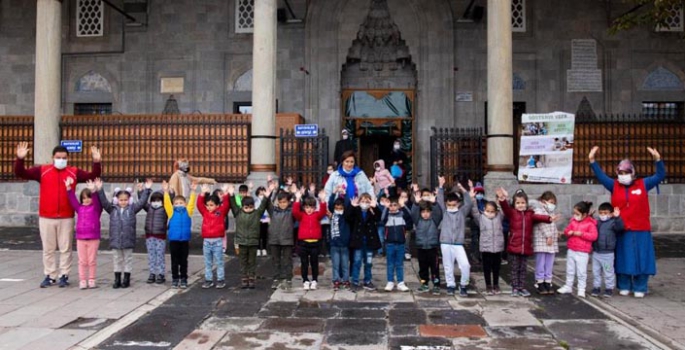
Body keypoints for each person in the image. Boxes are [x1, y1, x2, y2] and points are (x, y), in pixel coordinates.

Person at [14, 142, 102, 288]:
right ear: (52, 158)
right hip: (46, 217)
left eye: (64, 157)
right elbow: (21, 173)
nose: (61, 160)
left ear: (68, 158)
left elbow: (92, 176)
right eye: (58, 157)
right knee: (48, 249)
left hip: (66, 217)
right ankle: (50, 275)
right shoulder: (42, 170)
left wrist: (96, 162)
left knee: (65, 248)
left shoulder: (73, 172)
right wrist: (20, 159)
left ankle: (64, 275)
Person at [589, 146, 664, 298]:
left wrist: (658, 160)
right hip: (621, 229)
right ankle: (624, 285)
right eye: (620, 173)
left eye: (626, 172)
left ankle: (640, 286)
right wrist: (592, 160)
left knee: (642, 258)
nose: (623, 176)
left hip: (641, 229)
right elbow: (601, 176)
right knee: (623, 258)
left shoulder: (643, 184)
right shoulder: (614, 185)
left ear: (633, 173)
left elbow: (660, 175)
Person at [496, 188, 556, 297]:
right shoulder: (512, 213)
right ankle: (515, 287)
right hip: (514, 246)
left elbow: (539, 217)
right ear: (514, 204)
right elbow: (505, 208)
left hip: (526, 247)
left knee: (523, 269)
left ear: (526, 203)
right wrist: (502, 199)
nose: (520, 205)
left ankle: (522, 287)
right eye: (518, 203)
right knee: (514, 269)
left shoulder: (530, 214)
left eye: (523, 203)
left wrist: (549, 218)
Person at [98, 178, 152, 289]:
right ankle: (117, 279)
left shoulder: (132, 209)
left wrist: (146, 190)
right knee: (117, 259)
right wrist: (100, 190)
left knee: (128, 259)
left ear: (129, 200)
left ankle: (126, 279)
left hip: (128, 239)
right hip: (116, 240)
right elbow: (103, 202)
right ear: (116, 200)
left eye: (125, 200)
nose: (123, 202)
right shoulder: (112, 209)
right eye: (121, 200)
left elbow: (142, 202)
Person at [229, 182, 273, 289]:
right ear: (242, 206)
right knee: (243, 261)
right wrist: (231, 195)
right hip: (242, 242)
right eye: (246, 207)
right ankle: (244, 278)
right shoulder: (238, 213)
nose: (249, 209)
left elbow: (263, 206)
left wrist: (267, 196)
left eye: (251, 207)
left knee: (252, 261)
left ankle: (252, 278)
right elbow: (233, 204)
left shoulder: (257, 213)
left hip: (253, 242)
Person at [436, 176, 473, 297]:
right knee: (448, 265)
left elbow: (469, 203)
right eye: (449, 205)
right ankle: (450, 285)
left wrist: (464, 190)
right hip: (445, 242)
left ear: (458, 204)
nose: (451, 206)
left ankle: (463, 285)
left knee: (465, 265)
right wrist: (441, 186)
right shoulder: (445, 211)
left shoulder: (462, 212)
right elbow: (440, 201)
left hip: (458, 243)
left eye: (454, 204)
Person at [65, 179, 102, 290]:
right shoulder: (79, 208)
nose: (86, 200)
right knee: (82, 261)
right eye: (84, 198)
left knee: (91, 260)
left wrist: (94, 191)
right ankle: (82, 280)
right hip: (80, 238)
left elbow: (96, 201)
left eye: (88, 197)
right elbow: (73, 200)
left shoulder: (96, 208)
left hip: (93, 238)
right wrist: (68, 189)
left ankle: (91, 279)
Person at [557, 201, 598, 298]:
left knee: (581, 272)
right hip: (572, 249)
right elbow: (567, 231)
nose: (575, 215)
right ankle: (568, 286)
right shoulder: (573, 222)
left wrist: (581, 234)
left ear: (584, 214)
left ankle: (581, 289)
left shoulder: (590, 224)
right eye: (574, 213)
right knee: (570, 270)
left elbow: (594, 236)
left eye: (577, 214)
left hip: (583, 251)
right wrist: (568, 232)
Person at [162, 180, 196, 289]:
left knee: (184, 260)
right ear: (173, 205)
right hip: (174, 240)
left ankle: (184, 278)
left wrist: (193, 191)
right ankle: (175, 279)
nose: (179, 205)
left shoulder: (188, 211)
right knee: (174, 261)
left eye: (181, 203)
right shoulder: (171, 212)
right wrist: (166, 192)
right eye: (176, 203)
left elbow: (192, 203)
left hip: (184, 240)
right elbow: (167, 203)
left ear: (185, 204)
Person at [292, 188, 328, 290]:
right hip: (303, 243)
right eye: (307, 207)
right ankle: (305, 280)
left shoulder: (317, 216)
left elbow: (323, 211)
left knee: (314, 262)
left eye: (311, 207)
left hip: (315, 243)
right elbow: (295, 212)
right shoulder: (302, 216)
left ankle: (314, 280)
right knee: (304, 263)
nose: (309, 209)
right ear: (304, 207)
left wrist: (323, 200)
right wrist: (297, 199)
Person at [469, 194, 505, 296]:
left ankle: (496, 284)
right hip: (486, 247)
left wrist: (501, 199)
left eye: (492, 211)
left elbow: (503, 209)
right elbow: (475, 211)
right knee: (487, 267)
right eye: (488, 211)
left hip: (497, 247)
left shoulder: (499, 217)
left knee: (497, 267)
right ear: (484, 209)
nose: (489, 213)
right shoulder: (481, 218)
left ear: (496, 211)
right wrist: (473, 199)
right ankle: (488, 285)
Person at [197, 184, 231, 289]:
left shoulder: (220, 212)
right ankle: (209, 280)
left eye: (211, 205)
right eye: (207, 205)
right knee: (208, 262)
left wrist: (225, 194)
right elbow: (199, 205)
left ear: (217, 205)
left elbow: (226, 205)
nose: (209, 207)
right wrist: (202, 194)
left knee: (219, 261)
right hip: (207, 241)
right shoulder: (205, 212)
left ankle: (220, 279)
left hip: (217, 241)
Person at [349, 193, 382, 291]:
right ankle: (355, 281)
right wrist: (352, 207)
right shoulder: (356, 211)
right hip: (359, 242)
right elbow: (348, 217)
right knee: (357, 261)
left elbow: (379, 218)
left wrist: (375, 207)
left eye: (367, 201)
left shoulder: (371, 211)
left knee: (368, 262)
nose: (364, 203)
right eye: (362, 201)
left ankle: (367, 281)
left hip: (369, 242)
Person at [411, 192, 442, 294]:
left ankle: (436, 285)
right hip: (421, 248)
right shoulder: (417, 221)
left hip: (432, 248)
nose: (425, 214)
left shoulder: (434, 220)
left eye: (428, 211)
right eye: (423, 212)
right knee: (422, 268)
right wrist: (416, 204)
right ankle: (424, 283)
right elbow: (413, 213)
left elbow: (439, 214)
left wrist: (434, 204)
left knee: (435, 268)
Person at [591, 203, 624, 298]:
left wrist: (618, 217)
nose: (603, 215)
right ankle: (596, 287)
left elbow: (620, 228)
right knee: (596, 271)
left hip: (607, 254)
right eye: (601, 213)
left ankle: (609, 288)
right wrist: (590, 215)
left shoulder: (613, 223)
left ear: (610, 213)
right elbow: (589, 224)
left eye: (605, 213)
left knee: (608, 271)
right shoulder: (597, 222)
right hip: (596, 252)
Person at [380, 196, 412, 292]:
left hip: (400, 243)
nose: (393, 207)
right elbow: (382, 218)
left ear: (398, 206)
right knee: (390, 264)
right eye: (391, 206)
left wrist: (403, 206)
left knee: (399, 264)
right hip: (389, 243)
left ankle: (400, 282)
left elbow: (409, 217)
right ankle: (390, 281)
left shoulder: (402, 214)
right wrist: (386, 207)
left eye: (395, 205)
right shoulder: (387, 216)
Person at [531, 191, 560, 295]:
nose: (553, 204)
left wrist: (556, 234)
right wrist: (548, 235)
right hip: (542, 241)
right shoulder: (538, 210)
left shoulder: (550, 212)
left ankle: (548, 281)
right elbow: (541, 224)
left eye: (554, 202)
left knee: (549, 263)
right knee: (541, 262)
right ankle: (539, 282)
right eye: (551, 202)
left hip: (551, 242)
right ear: (544, 201)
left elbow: (553, 225)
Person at [267, 190, 296, 290]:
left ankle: (288, 278)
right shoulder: (273, 211)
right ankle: (276, 278)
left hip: (287, 239)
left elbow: (297, 208)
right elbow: (267, 204)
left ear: (288, 202)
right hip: (274, 239)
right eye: (280, 202)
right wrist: (271, 193)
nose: (282, 204)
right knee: (275, 260)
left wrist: (296, 195)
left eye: (284, 202)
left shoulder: (291, 211)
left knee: (287, 260)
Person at [141, 190, 168, 285]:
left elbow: (170, 202)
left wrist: (168, 192)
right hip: (149, 235)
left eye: (158, 200)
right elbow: (142, 202)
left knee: (160, 255)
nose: (156, 202)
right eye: (154, 200)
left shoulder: (165, 209)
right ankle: (152, 273)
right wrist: (142, 191)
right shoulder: (149, 208)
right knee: (151, 255)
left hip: (160, 235)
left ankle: (161, 274)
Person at [328, 194, 352, 291]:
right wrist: (333, 194)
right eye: (336, 208)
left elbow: (347, 205)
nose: (338, 209)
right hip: (334, 245)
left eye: (340, 208)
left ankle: (345, 280)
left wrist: (345, 194)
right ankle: (336, 280)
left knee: (345, 264)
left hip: (344, 244)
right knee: (335, 264)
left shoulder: (345, 217)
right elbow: (330, 204)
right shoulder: (332, 215)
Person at [254, 186, 270, 257]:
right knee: (257, 235)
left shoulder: (266, 199)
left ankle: (264, 248)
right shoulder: (255, 199)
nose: (261, 192)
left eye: (263, 190)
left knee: (264, 234)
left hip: (265, 218)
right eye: (260, 190)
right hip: (257, 218)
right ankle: (257, 249)